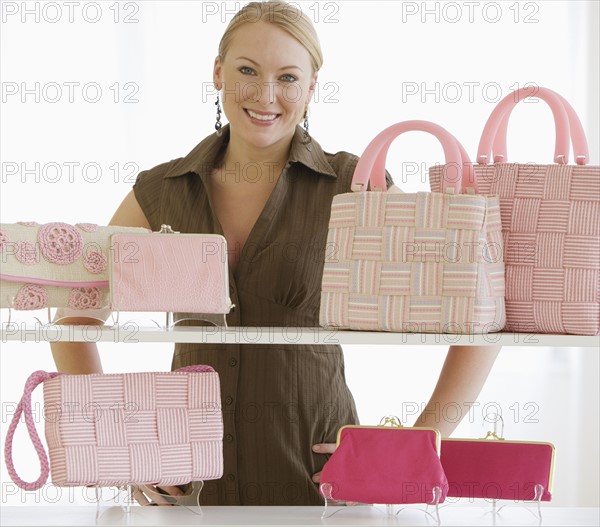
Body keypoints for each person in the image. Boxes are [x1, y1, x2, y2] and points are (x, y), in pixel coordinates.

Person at [50, 1, 501, 506]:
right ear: (217, 73)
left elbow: (479, 318)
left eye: (288, 77)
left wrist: (423, 440)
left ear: (310, 89)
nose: (266, 95)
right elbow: (74, 313)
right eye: (247, 70)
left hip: (323, 489)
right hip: (190, 496)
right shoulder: (161, 190)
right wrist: (121, 447)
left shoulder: (357, 188)